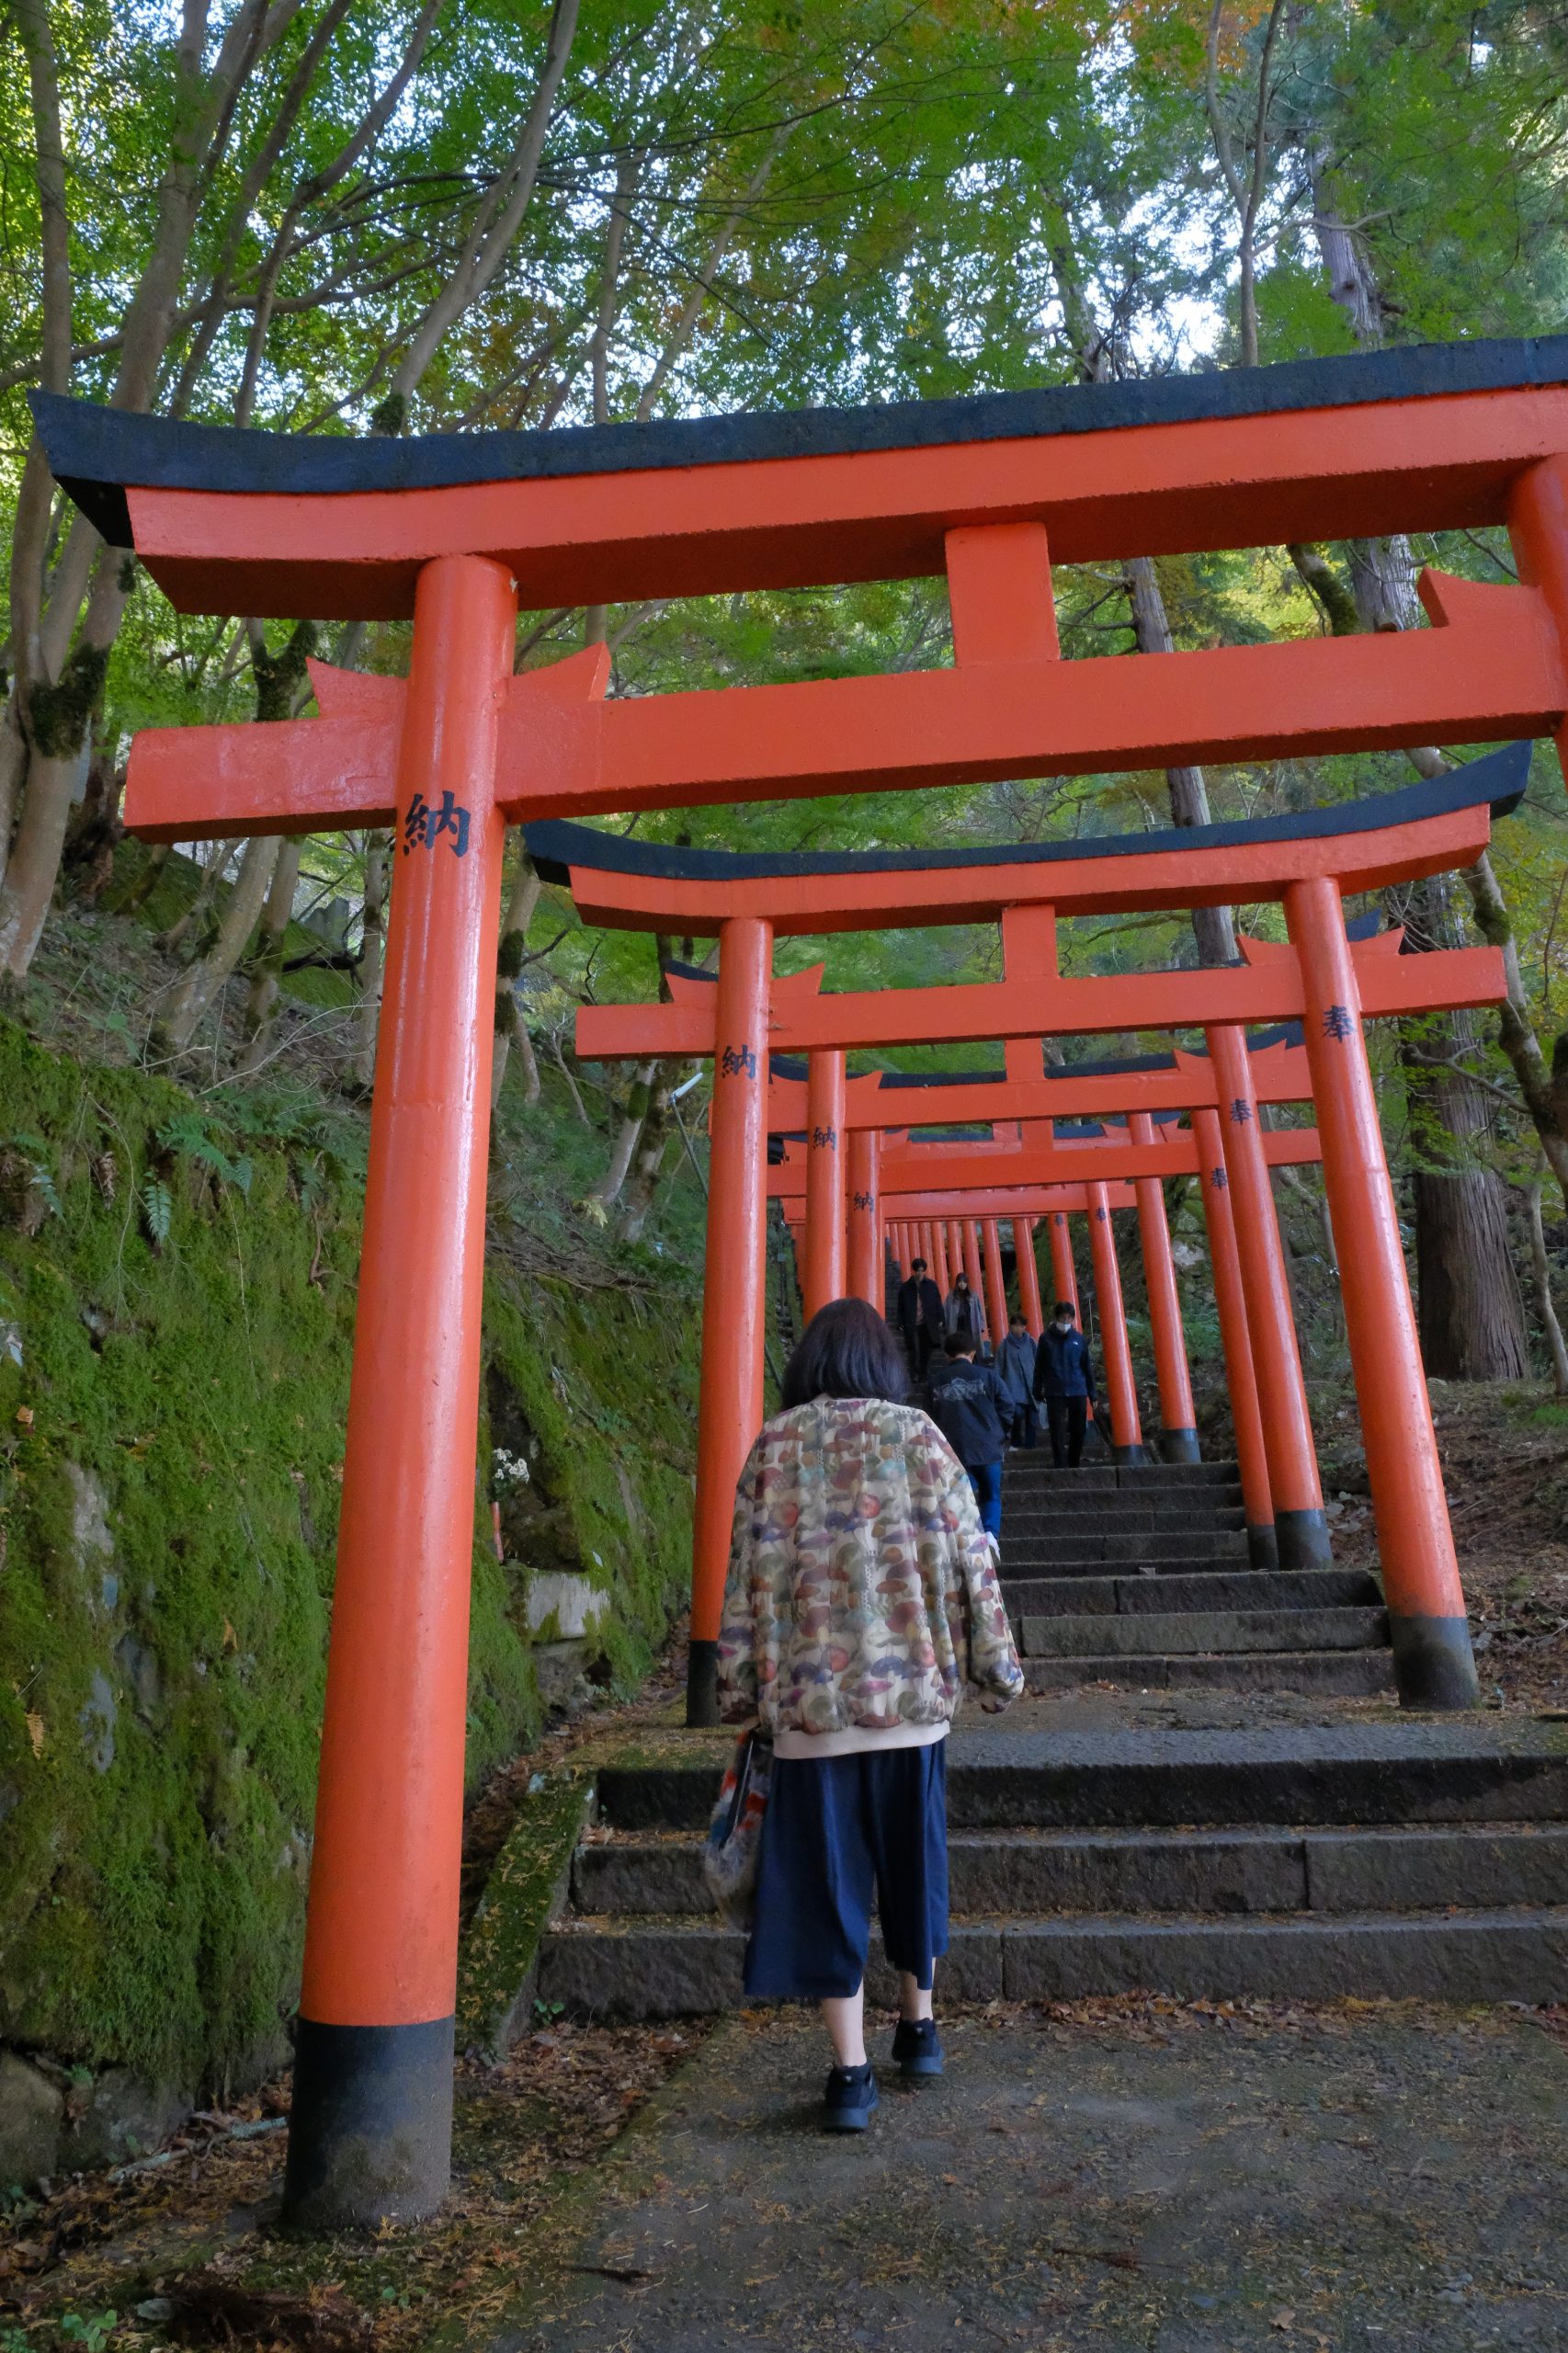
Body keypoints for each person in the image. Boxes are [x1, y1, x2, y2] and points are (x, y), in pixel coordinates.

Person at [717, 1298, 1023, 2133]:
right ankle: (919, 2030)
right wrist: (998, 1669)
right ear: (886, 1364)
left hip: (812, 1715)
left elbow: (744, 1576)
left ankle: (850, 2076)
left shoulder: (774, 1447)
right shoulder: (922, 1438)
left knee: (830, 1886)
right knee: (912, 1869)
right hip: (911, 1705)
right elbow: (972, 1562)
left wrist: (741, 1691)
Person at [925, 1325, 1009, 1543]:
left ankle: (969, 1537)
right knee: (991, 1495)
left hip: (953, 1450)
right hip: (988, 1447)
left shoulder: (935, 1383)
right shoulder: (989, 1377)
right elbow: (1008, 1407)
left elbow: (928, 1419)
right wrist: (999, 1432)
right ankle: (991, 1535)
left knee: (963, 1497)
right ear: (973, 1353)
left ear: (946, 1355)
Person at [1033, 1298, 1096, 1468]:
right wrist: (1037, 1389)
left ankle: (1073, 1461)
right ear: (1056, 1318)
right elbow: (1039, 1366)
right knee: (1057, 1430)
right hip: (1055, 1390)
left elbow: (1086, 1367)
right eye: (1063, 1318)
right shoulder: (1046, 1339)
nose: (1066, 1321)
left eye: (1069, 1318)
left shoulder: (1079, 1339)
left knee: (1078, 1430)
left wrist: (1093, 1393)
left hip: (1077, 1389)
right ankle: (1060, 1464)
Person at [995, 1312, 1039, 1449]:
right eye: (1016, 1326)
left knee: (1032, 1418)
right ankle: (1016, 1441)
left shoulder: (1031, 1342)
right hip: (1012, 1385)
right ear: (1010, 1327)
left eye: (1021, 1326)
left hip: (1031, 1385)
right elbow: (999, 1366)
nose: (1018, 1329)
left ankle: (1030, 1445)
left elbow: (1038, 1361)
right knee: (1017, 1414)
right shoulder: (1004, 1345)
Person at [896, 1255, 945, 1377]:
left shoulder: (931, 1285)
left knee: (926, 1350)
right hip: (911, 1323)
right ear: (914, 1271)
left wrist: (941, 1318)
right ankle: (915, 1373)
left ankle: (923, 1370)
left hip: (927, 1323)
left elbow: (938, 1302)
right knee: (914, 1349)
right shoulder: (905, 1288)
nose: (920, 1273)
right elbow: (900, 1307)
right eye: (918, 1271)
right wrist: (900, 1322)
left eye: (922, 1271)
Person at [944, 1268, 984, 1346]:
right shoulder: (951, 1296)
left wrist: (981, 1326)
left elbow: (980, 1312)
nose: (962, 1284)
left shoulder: (973, 1296)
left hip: (970, 1325)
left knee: (972, 1346)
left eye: (964, 1282)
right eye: (960, 1282)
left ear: (967, 1283)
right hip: (956, 1325)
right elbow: (945, 1311)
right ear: (957, 1283)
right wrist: (945, 1325)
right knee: (958, 1346)